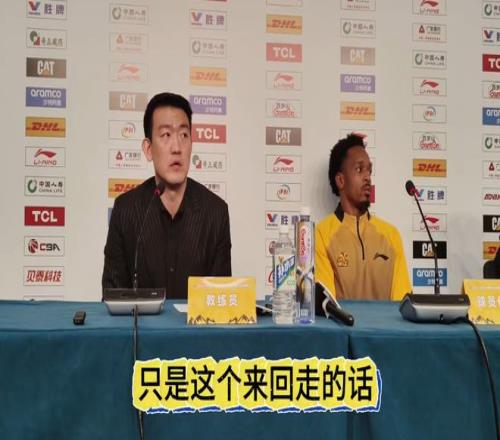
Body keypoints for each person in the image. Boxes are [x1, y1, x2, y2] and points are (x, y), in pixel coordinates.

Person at [102, 92, 231, 298]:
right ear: (148, 149)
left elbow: (221, 300)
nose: (177, 147)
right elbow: (112, 298)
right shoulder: (126, 210)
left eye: (184, 135)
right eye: (166, 135)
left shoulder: (216, 212)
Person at [315, 133, 411, 300]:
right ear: (340, 180)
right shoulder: (321, 235)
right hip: (341, 319)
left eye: (369, 171)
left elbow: (402, 304)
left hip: (387, 320)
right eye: (359, 169)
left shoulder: (391, 235)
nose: (367, 177)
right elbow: (326, 304)